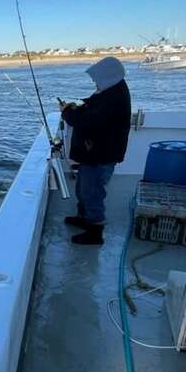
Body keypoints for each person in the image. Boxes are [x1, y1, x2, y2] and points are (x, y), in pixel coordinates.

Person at [59, 56, 131, 245]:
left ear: (108, 77)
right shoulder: (113, 90)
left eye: (97, 78)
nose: (94, 82)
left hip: (100, 155)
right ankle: (84, 217)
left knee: (92, 193)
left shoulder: (114, 97)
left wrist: (67, 112)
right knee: (83, 188)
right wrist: (75, 108)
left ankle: (95, 232)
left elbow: (84, 121)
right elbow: (93, 110)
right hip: (94, 153)